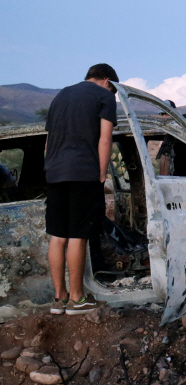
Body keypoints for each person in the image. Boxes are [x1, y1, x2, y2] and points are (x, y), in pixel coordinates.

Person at [45, 63, 119, 315]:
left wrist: (51, 168)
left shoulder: (61, 95)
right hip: (83, 172)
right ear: (107, 81)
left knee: (58, 236)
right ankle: (77, 300)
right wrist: (101, 172)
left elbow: (48, 141)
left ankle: (59, 299)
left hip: (55, 172)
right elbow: (105, 138)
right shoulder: (105, 96)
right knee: (78, 235)